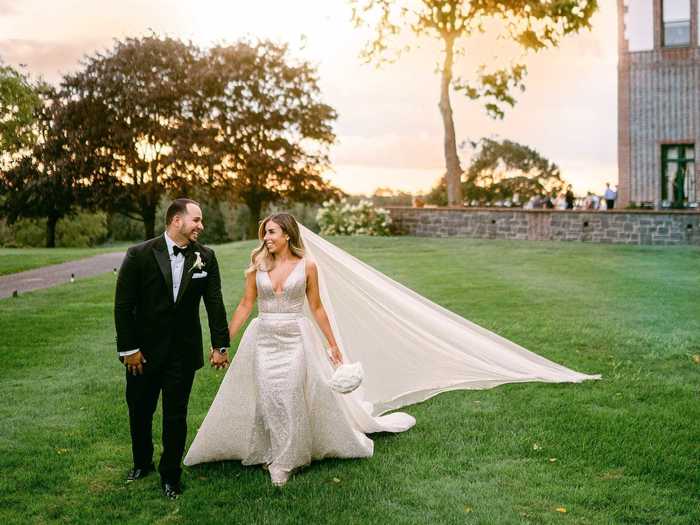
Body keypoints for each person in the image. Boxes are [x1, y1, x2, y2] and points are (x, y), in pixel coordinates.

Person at [184, 213, 600, 487]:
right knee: (266, 396)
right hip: (263, 338)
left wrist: (332, 346)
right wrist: (224, 341)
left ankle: (286, 460)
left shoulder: (308, 266)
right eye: (264, 234)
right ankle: (267, 448)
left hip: (295, 338)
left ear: (287, 235)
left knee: (289, 392)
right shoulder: (257, 266)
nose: (266, 238)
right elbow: (243, 306)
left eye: (271, 232)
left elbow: (316, 308)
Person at [114, 198, 230, 499]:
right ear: (176, 221)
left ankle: (170, 475)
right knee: (139, 410)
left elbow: (214, 302)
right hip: (143, 352)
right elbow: (123, 306)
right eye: (197, 220)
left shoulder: (206, 256)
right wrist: (129, 349)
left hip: (183, 351)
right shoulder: (139, 254)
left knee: (175, 416)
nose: (201, 226)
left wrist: (220, 344)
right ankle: (142, 462)